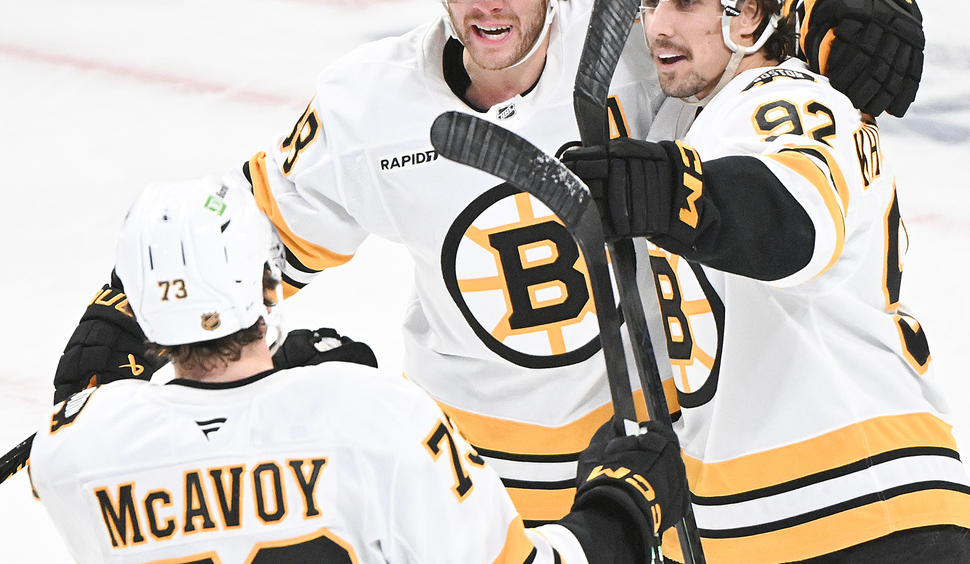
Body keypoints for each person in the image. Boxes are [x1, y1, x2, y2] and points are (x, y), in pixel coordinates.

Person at [51, 0, 928, 529]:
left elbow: (734, 29)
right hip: (469, 478)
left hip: (640, 471)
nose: (486, 2)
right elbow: (257, 232)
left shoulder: (630, 43)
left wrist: (830, 9)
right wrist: (126, 308)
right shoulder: (370, 102)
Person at [562, 0, 970, 564]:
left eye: (688, 1)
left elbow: (790, 223)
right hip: (767, 524)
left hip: (861, 510)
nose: (659, 26)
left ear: (750, 11)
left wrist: (676, 193)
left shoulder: (789, 98)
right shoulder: (696, 119)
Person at [30, 177, 687, 564]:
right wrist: (623, 507)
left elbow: (115, 411)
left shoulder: (73, 449)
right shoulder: (377, 418)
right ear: (268, 283)